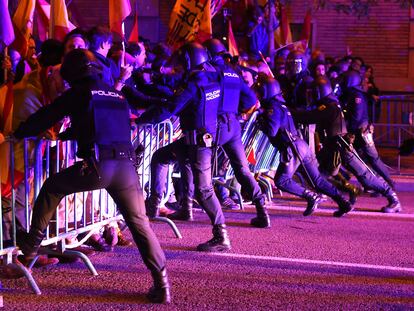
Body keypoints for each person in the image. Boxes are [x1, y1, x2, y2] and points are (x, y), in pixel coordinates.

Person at [12, 49, 170, 304]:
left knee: (53, 186)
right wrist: (69, 135)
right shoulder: (116, 94)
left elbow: (47, 116)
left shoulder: (80, 92)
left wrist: (20, 132)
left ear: (73, 73)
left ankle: (29, 250)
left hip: (99, 165)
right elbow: (100, 125)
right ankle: (162, 284)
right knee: (140, 223)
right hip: (127, 168)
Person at [137, 42, 231, 252]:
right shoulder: (210, 78)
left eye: (181, 62)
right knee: (160, 157)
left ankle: (221, 236)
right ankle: (159, 208)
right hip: (196, 140)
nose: (178, 66)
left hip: (198, 143)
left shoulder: (193, 85)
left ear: (190, 61)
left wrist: (140, 121)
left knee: (205, 190)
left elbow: (171, 108)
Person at [292, 77, 401, 216]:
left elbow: (307, 117)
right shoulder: (330, 104)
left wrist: (287, 112)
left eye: (313, 92)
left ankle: (393, 199)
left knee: (365, 177)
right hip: (332, 149)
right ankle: (343, 201)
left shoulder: (329, 107)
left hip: (341, 148)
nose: (311, 95)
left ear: (320, 92)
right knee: (318, 175)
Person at [253, 74, 352, 216]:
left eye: (260, 91)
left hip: (292, 147)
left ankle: (311, 197)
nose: (258, 94)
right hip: (301, 145)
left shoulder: (273, 108)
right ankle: (343, 202)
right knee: (317, 180)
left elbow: (271, 131)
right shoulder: (281, 105)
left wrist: (260, 120)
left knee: (281, 181)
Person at [203, 38, 270, 228]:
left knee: (194, 158)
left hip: (215, 126)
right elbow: (250, 100)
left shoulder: (210, 73)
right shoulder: (233, 73)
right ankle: (261, 209)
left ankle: (187, 206)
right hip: (233, 126)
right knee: (242, 170)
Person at [340, 70, 395, 191]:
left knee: (373, 159)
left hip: (361, 132)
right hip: (359, 131)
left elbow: (356, 117)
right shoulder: (353, 94)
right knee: (362, 159)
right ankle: (375, 184)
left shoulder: (356, 96)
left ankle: (389, 185)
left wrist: (348, 129)